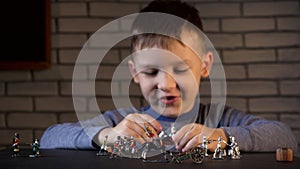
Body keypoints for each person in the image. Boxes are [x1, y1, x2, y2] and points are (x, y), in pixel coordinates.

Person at [40, 0, 297, 154]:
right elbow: (50, 137)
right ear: (135, 73)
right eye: (151, 72)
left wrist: (223, 136)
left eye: (181, 69)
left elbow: (285, 137)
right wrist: (107, 136)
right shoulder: (120, 121)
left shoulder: (222, 119)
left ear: (205, 66)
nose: (165, 85)